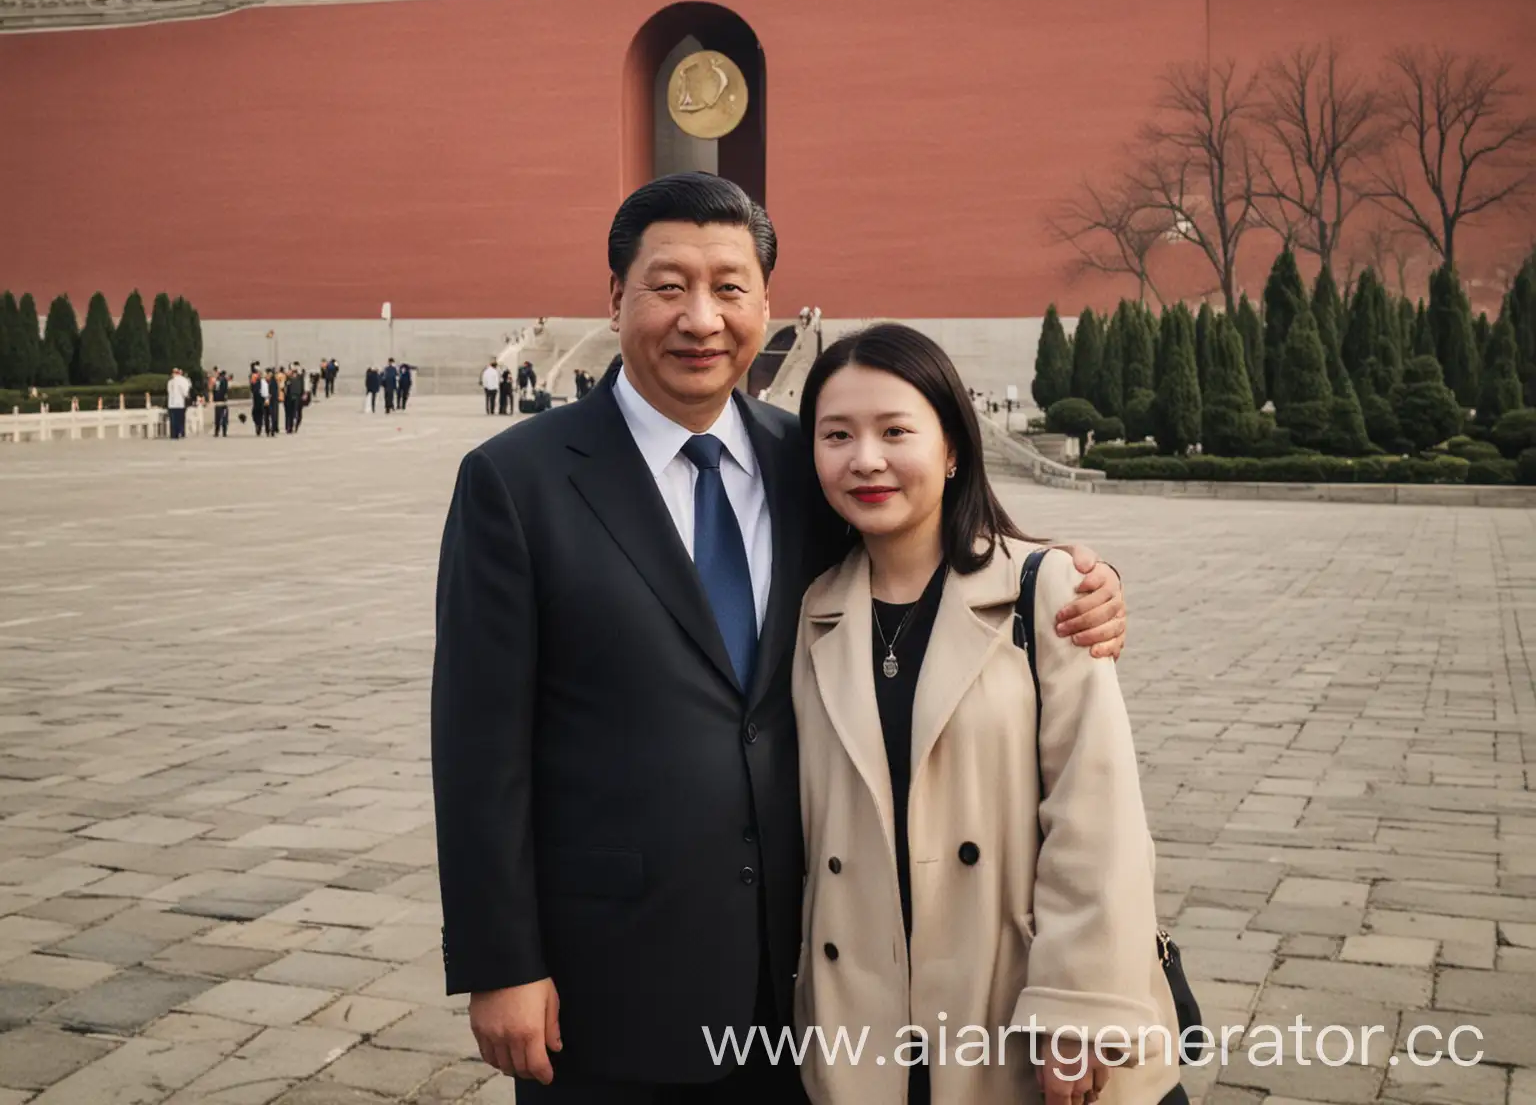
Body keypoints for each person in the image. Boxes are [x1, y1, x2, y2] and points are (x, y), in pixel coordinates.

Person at [431, 173, 1127, 1100]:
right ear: (615, 298)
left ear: (766, 303)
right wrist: (501, 961)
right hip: (613, 972)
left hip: (811, 976)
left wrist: (1076, 576)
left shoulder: (808, 463)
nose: (701, 318)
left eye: (729, 288)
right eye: (668, 286)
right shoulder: (516, 481)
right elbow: (478, 742)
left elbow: (931, 555)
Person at [793, 324, 1175, 1105]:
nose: (865, 459)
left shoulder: (1044, 591)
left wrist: (1076, 1012)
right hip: (867, 1022)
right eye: (837, 435)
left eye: (896, 431)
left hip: (1016, 1008)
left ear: (953, 446)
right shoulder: (811, 614)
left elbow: (1095, 812)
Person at [165, 367, 192, 440]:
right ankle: (180, 432)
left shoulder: (170, 382)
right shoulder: (183, 380)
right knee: (180, 419)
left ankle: (173, 434)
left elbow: (169, 391)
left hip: (171, 403)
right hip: (180, 403)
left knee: (173, 420)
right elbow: (185, 392)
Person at [211, 369, 230, 437]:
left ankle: (216, 432)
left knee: (217, 417)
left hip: (217, 402)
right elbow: (225, 391)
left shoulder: (217, 381)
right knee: (224, 416)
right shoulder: (224, 380)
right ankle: (224, 432)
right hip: (223, 402)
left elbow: (214, 390)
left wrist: (214, 398)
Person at [249, 362, 265, 436]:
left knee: (258, 412)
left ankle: (258, 425)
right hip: (257, 396)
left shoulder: (257, 375)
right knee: (257, 412)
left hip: (259, 396)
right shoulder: (254, 375)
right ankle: (258, 424)